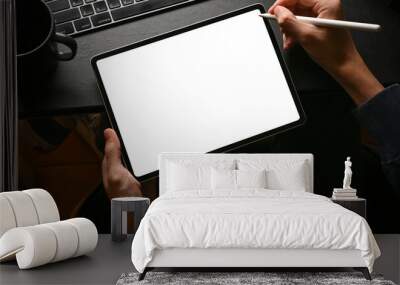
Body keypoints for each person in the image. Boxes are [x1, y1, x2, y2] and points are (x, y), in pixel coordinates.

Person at [102, 0, 399, 198]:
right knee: (320, 112)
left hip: (209, 210)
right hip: (345, 191)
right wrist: (346, 65)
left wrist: (131, 210)